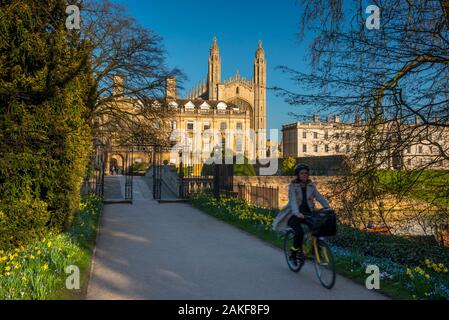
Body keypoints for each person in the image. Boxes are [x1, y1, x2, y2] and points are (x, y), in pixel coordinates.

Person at [272, 163, 330, 267]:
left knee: (319, 230)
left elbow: (319, 197)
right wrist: (297, 213)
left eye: (306, 173)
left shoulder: (311, 186)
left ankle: (315, 249)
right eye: (302, 173)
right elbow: (293, 201)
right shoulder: (293, 186)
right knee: (299, 233)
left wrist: (327, 207)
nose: (304, 175)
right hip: (293, 215)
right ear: (298, 174)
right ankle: (293, 254)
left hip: (308, 214)